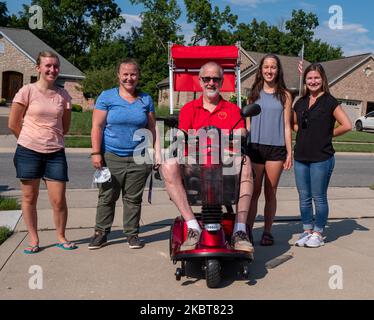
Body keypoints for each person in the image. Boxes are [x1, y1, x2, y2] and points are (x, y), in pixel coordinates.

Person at [161, 61, 254, 253]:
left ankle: (240, 230)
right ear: (200, 81)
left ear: (222, 82)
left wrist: (235, 135)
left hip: (225, 162)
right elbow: (181, 136)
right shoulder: (189, 109)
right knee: (168, 164)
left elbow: (241, 133)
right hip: (195, 161)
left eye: (216, 79)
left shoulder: (232, 109)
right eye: (207, 79)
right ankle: (193, 226)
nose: (211, 82)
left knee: (246, 161)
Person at [8, 51, 77, 253]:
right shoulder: (26, 91)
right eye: (48, 66)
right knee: (29, 198)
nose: (52, 70)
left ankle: (61, 237)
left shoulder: (63, 95)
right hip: (28, 151)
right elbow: (13, 124)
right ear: (38, 67)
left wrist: (49, 139)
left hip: (55, 153)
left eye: (55, 66)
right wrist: (29, 140)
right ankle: (33, 239)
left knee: (58, 200)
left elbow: (65, 128)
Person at [88, 58, 159, 250]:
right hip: (111, 155)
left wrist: (155, 153)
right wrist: (96, 153)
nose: (129, 78)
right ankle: (100, 233)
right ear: (118, 75)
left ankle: (132, 234)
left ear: (139, 76)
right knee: (107, 196)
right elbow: (97, 126)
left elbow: (152, 128)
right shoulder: (107, 97)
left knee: (133, 199)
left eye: (133, 74)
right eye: (125, 74)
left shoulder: (146, 99)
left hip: (140, 157)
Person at [293, 63, 352, 248]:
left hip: (322, 157)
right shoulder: (300, 102)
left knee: (318, 196)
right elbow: (294, 124)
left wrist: (327, 135)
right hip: (301, 157)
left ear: (323, 79)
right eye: (309, 78)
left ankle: (318, 232)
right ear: (305, 80)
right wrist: (303, 134)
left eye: (316, 78)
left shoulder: (329, 101)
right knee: (304, 197)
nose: (313, 81)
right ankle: (307, 231)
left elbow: (347, 125)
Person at [246, 54, 293, 246]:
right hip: (255, 148)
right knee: (253, 191)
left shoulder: (285, 95)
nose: (269, 71)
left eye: (273, 67)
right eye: (266, 67)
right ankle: (246, 230)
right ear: (261, 70)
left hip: (276, 149)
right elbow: (247, 124)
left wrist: (290, 152)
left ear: (278, 70)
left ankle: (267, 231)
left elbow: (286, 126)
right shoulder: (253, 93)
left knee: (270, 192)